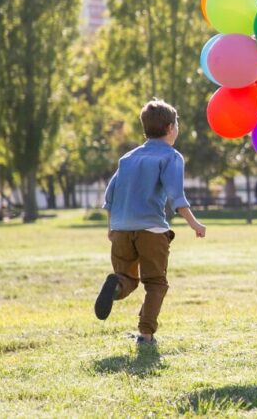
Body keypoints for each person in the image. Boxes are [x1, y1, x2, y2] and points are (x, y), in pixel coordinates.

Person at [94, 99, 207, 347]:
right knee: (155, 283)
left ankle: (116, 285)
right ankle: (145, 336)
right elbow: (177, 196)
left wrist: (111, 228)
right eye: (176, 124)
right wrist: (195, 224)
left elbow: (110, 196)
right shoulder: (171, 157)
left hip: (122, 229)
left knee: (127, 278)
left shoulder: (128, 158)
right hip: (151, 229)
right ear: (169, 128)